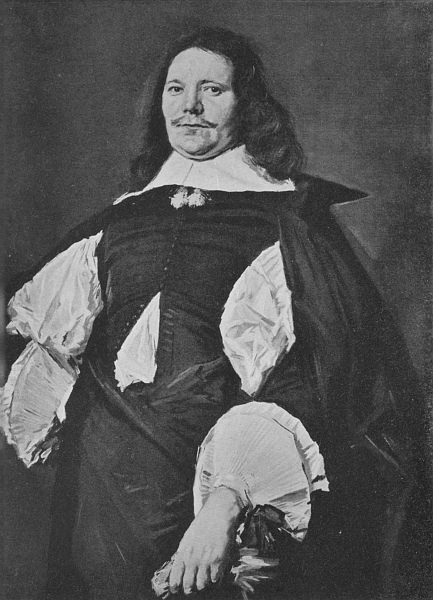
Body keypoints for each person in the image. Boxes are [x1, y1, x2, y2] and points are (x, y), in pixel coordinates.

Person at [1, 27, 426, 600]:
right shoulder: (119, 221)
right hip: (98, 494)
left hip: (212, 497)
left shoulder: (288, 222)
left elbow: (315, 384)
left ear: (246, 104)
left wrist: (225, 505)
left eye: (213, 90)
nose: (190, 107)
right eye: (176, 89)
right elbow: (53, 349)